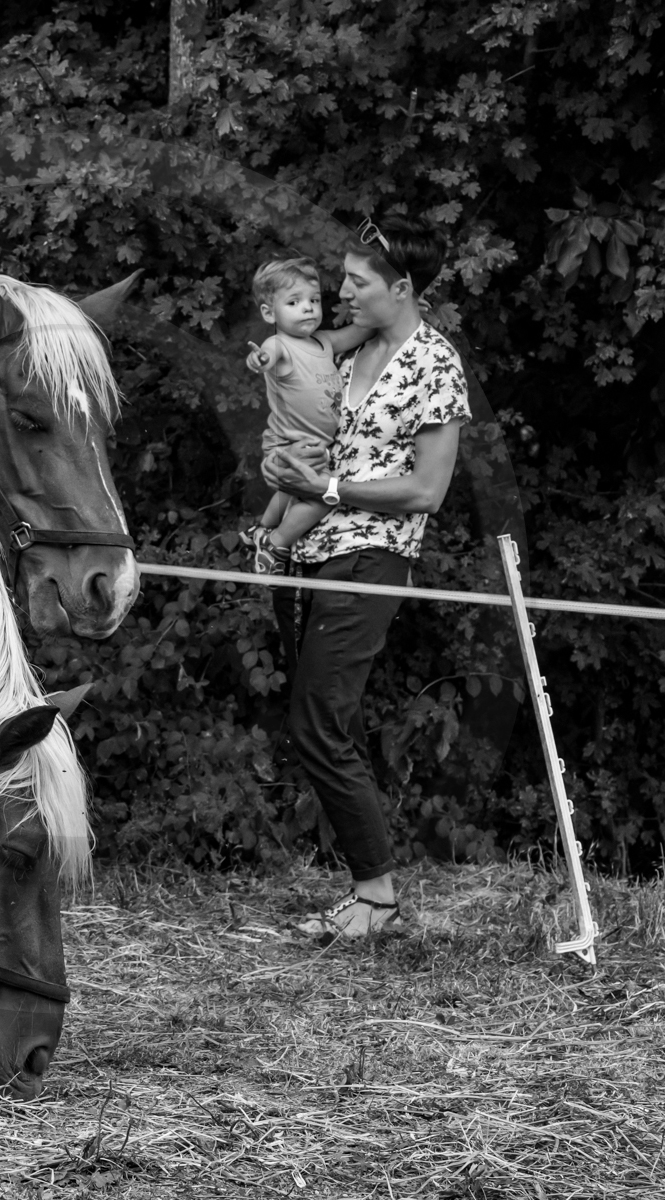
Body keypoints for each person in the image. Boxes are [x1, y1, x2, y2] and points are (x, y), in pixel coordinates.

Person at [261, 214, 470, 938]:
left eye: (357, 282)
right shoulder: (349, 350)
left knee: (317, 721)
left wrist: (326, 489)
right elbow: (310, 432)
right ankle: (372, 895)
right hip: (314, 549)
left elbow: (426, 491)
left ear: (402, 288)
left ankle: (376, 899)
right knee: (328, 722)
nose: (341, 292)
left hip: (375, 554)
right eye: (343, 279)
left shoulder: (434, 363)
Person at [241, 257, 373, 578]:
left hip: (311, 443)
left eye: (314, 300)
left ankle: (262, 529)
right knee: (324, 496)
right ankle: (276, 543)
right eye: (294, 302)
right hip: (290, 441)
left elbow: (360, 331)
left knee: (292, 489)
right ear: (269, 313)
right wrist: (259, 359)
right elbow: (267, 356)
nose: (308, 308)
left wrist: (399, 311)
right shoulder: (279, 344)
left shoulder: (324, 341)